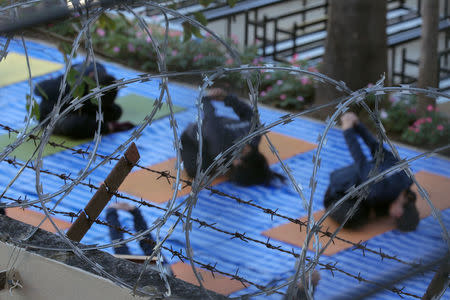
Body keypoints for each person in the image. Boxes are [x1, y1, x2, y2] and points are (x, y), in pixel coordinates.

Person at [323, 112, 419, 231]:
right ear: (399, 213)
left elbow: (376, 148)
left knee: (380, 202)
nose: (394, 217)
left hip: (363, 176)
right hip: (337, 192)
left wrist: (358, 125)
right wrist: (348, 129)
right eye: (396, 217)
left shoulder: (407, 177)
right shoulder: (379, 190)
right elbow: (360, 157)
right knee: (353, 217)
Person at [180, 88, 285, 186]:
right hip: (201, 134)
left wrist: (205, 100)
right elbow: (248, 113)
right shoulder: (254, 135)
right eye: (245, 151)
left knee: (197, 172)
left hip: (204, 136)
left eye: (239, 156)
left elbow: (210, 118)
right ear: (254, 151)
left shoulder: (220, 149)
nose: (242, 148)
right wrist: (226, 98)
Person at [34, 62, 133, 139]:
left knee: (116, 112)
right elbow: (38, 88)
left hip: (84, 107)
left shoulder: (100, 72)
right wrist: (107, 128)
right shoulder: (69, 84)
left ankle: (93, 120)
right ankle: (101, 125)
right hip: (54, 114)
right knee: (74, 125)